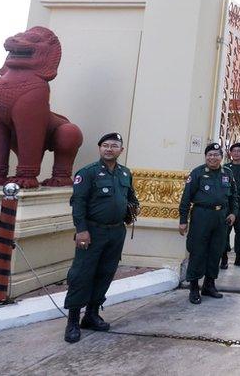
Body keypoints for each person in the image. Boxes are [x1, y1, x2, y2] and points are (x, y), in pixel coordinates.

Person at [63, 132, 140, 344]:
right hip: (92, 232)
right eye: (105, 145)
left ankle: (92, 314)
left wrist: (132, 208)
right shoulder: (87, 173)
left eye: (114, 146)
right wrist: (81, 230)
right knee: (82, 274)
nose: (109, 149)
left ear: (121, 150)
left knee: (105, 273)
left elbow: (130, 197)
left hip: (116, 232)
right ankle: (72, 321)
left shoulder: (125, 173)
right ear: (100, 148)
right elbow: (78, 203)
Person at [179, 143, 237, 304]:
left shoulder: (228, 173)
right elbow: (186, 198)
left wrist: (233, 213)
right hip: (201, 216)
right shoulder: (197, 173)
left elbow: (234, 197)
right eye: (209, 155)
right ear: (206, 157)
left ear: (222, 157)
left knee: (216, 252)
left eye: (216, 155)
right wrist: (183, 220)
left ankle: (209, 285)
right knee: (198, 251)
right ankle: (194, 288)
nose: (213, 158)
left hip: (221, 218)